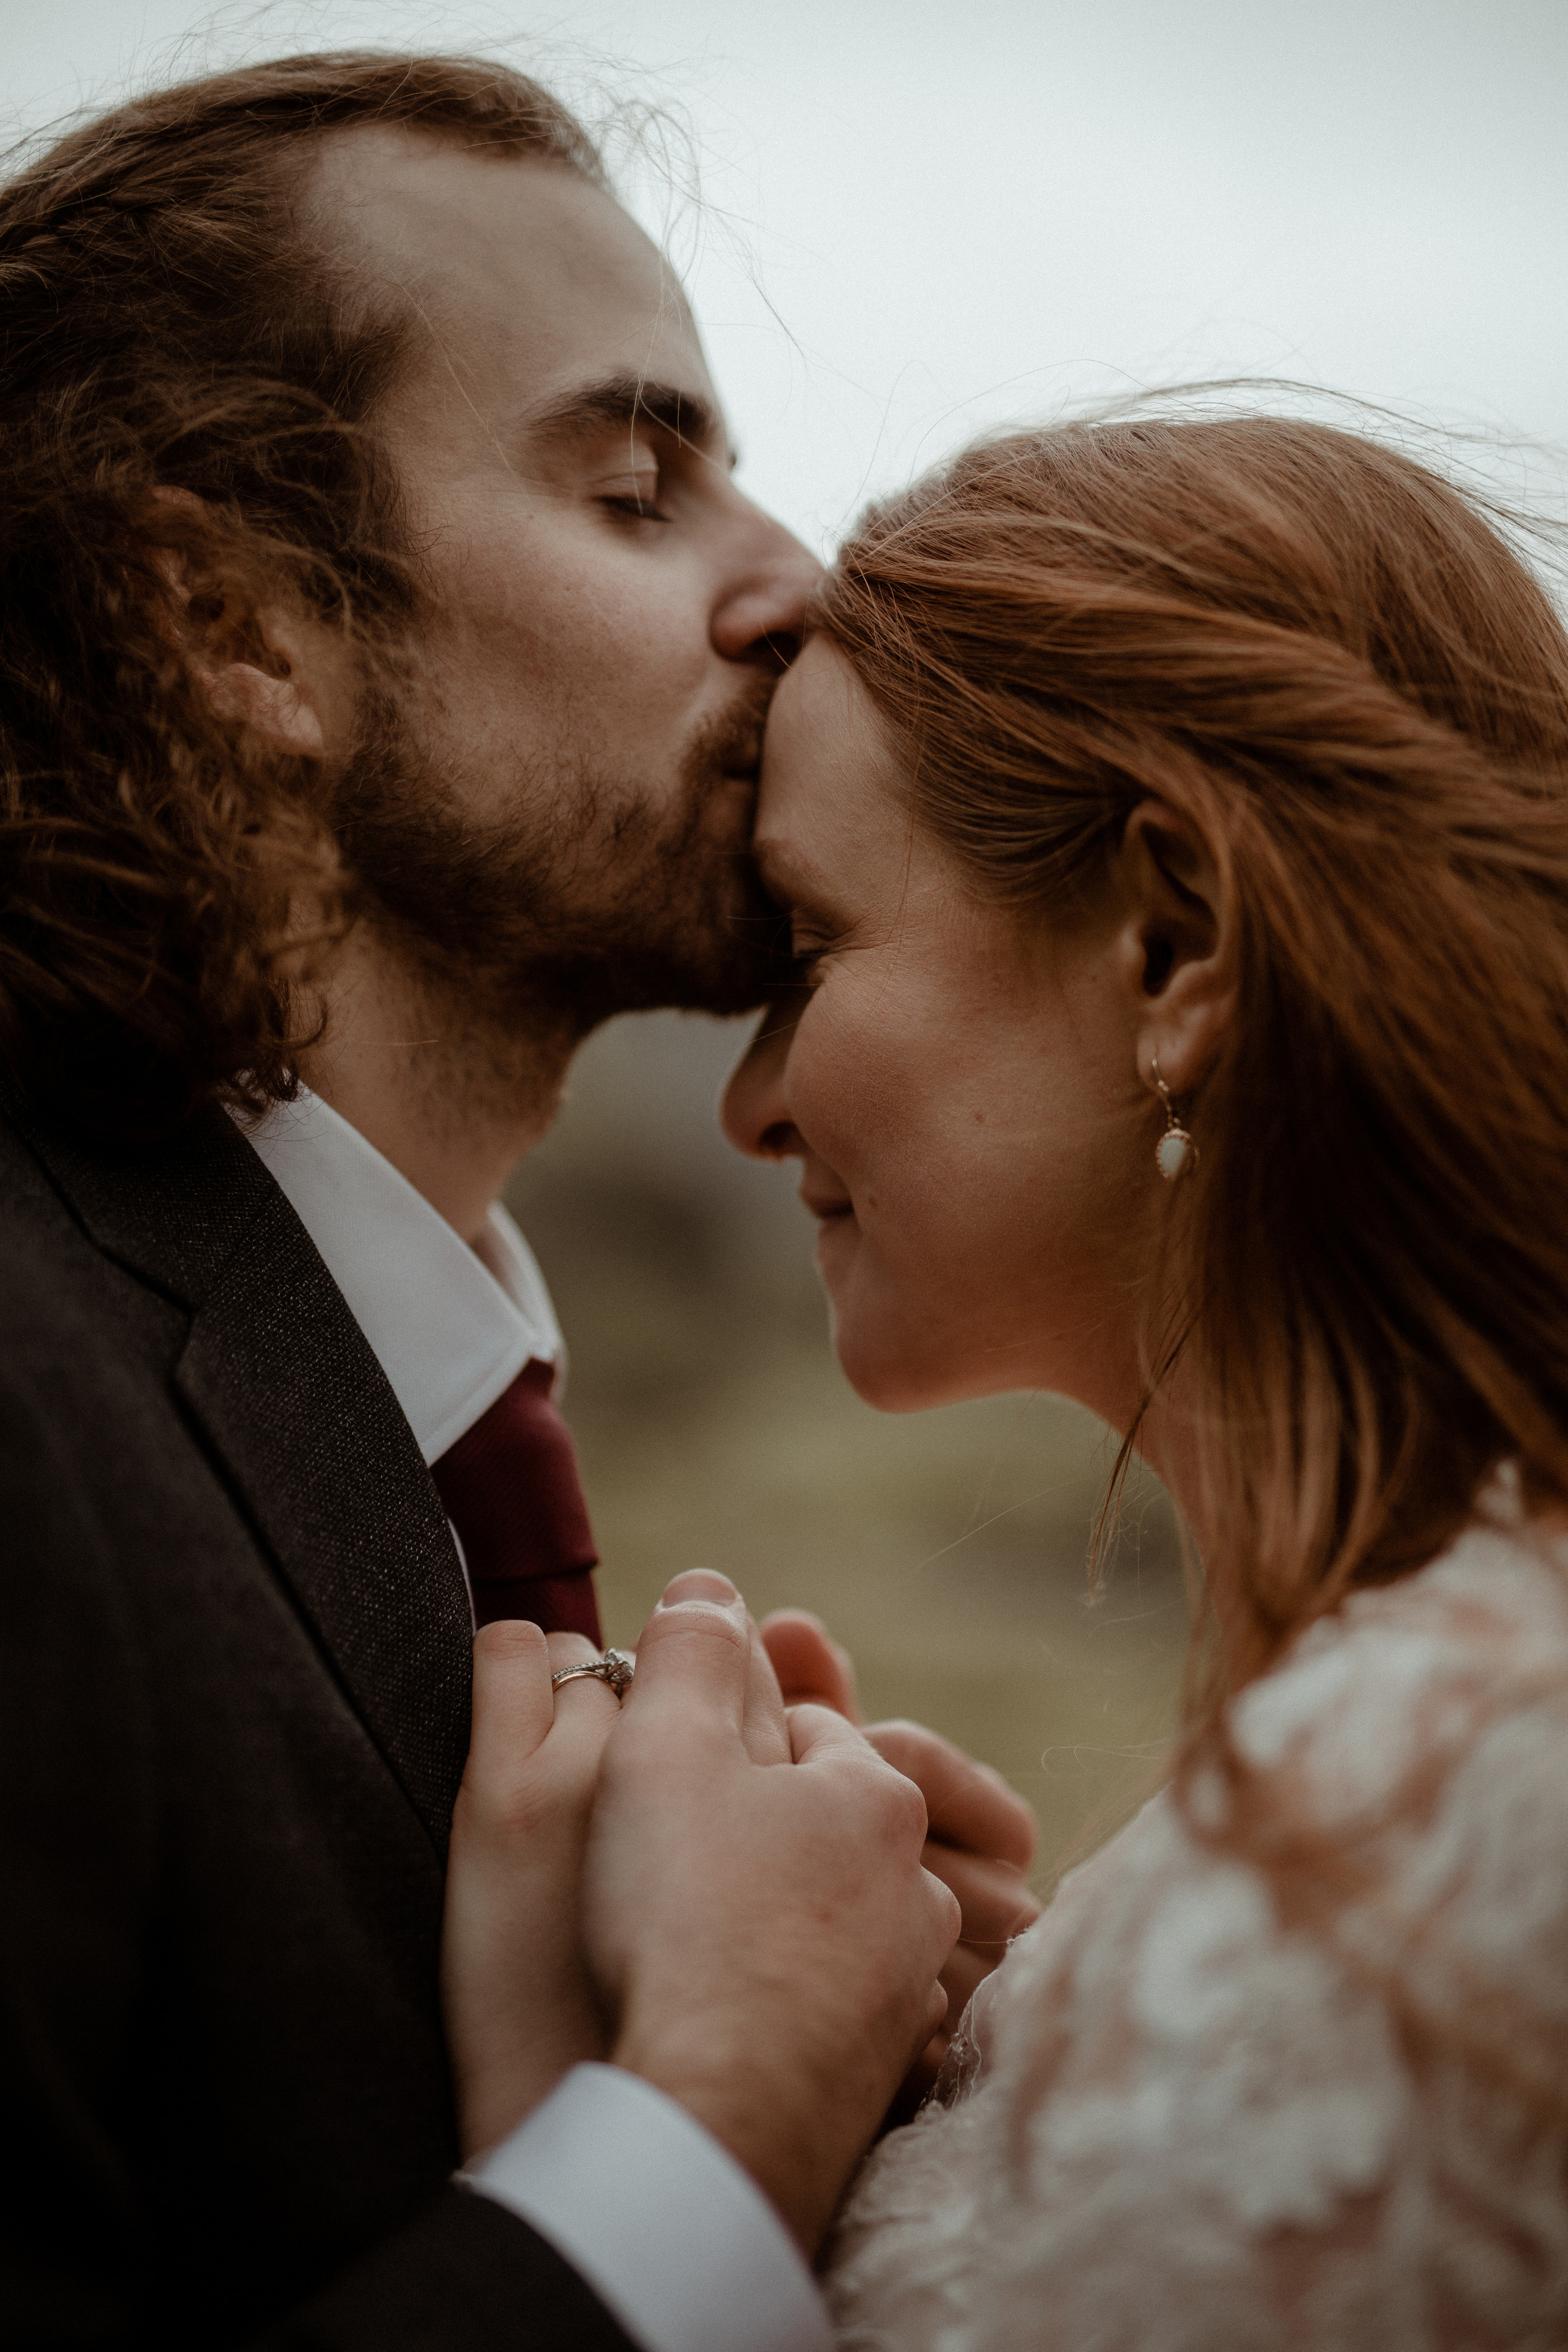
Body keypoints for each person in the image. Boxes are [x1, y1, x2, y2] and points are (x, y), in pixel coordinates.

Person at [0, 51, 1038, 2352]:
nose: (801, 584)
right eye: (639, 486)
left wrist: (842, 2055)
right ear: (236, 628)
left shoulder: (368, 1392)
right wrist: (721, 2108)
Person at [712, 413, 1568, 2345]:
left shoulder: (1437, 1816)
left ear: (1173, 944)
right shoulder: (1375, 1792)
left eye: (810, 941)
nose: (752, 1099)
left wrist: (666, 2098)